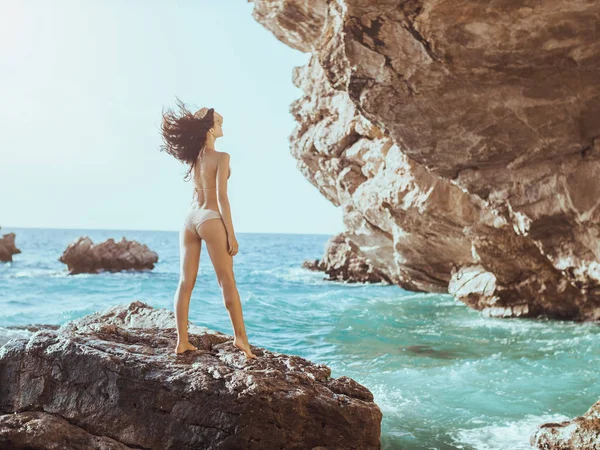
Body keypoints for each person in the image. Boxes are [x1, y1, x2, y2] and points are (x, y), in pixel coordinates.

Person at [160, 99, 256, 359]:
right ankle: (241, 340)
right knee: (227, 281)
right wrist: (232, 234)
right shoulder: (222, 157)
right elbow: (223, 198)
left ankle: (182, 341)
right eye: (219, 123)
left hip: (190, 217)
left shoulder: (194, 158)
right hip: (211, 218)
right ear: (211, 130)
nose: (223, 126)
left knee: (184, 282)